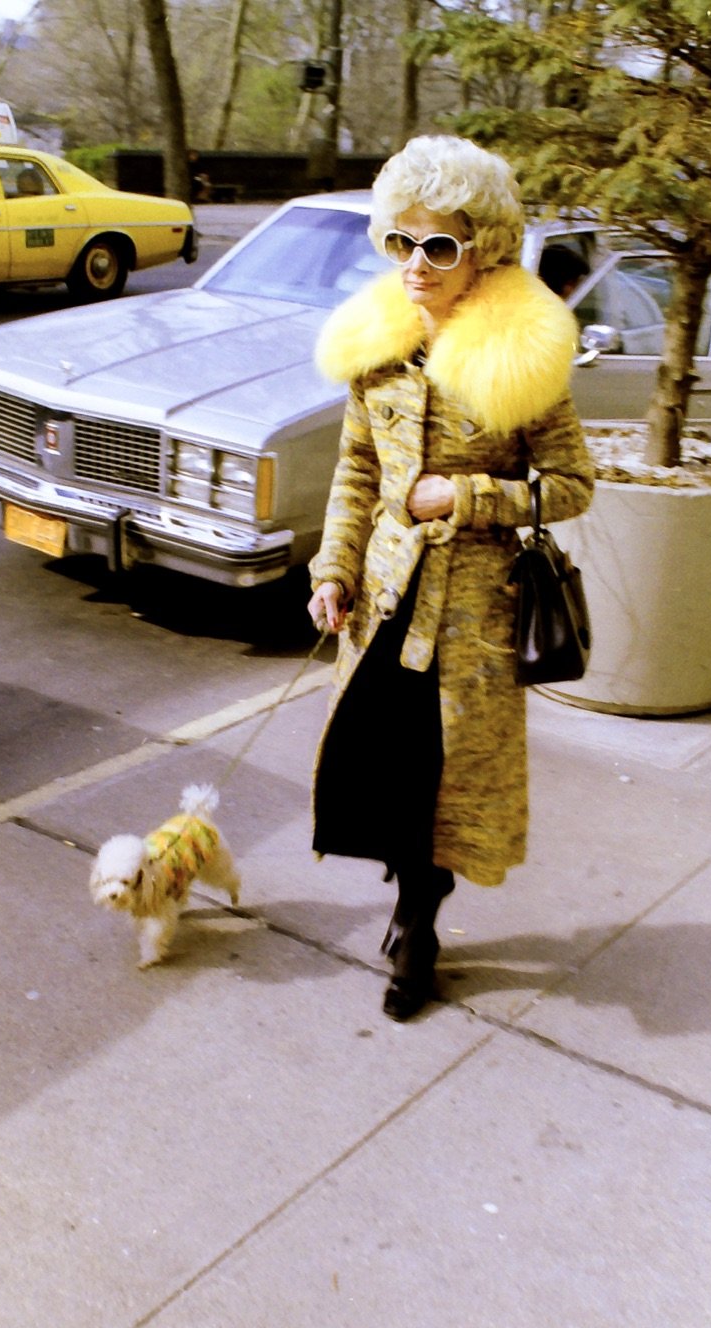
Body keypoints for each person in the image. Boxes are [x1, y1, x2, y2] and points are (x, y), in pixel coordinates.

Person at [305, 135, 595, 1021]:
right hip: (383, 604)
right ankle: (408, 898)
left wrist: (463, 495)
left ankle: (417, 931)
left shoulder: (523, 361)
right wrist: (333, 568)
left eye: (439, 246)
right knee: (383, 773)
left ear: (484, 251)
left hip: (471, 619)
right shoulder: (376, 348)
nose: (416, 265)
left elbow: (572, 485)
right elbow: (356, 471)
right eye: (401, 242)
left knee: (439, 781)